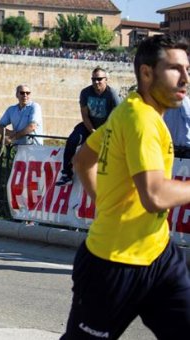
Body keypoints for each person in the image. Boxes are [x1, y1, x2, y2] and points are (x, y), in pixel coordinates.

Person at [62, 34, 190, 339]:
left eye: (188, 69)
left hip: (158, 255)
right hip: (113, 263)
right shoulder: (141, 121)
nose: (185, 78)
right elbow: (155, 195)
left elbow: (82, 161)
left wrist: (105, 203)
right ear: (146, 73)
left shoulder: (128, 109)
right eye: (175, 69)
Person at [56, 67, 121, 186]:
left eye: (99, 79)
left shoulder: (112, 94)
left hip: (107, 127)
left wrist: (102, 132)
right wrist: (92, 131)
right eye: (93, 79)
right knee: (72, 140)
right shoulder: (85, 92)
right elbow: (84, 115)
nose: (96, 82)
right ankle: (66, 174)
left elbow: (118, 118)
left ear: (106, 79)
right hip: (89, 125)